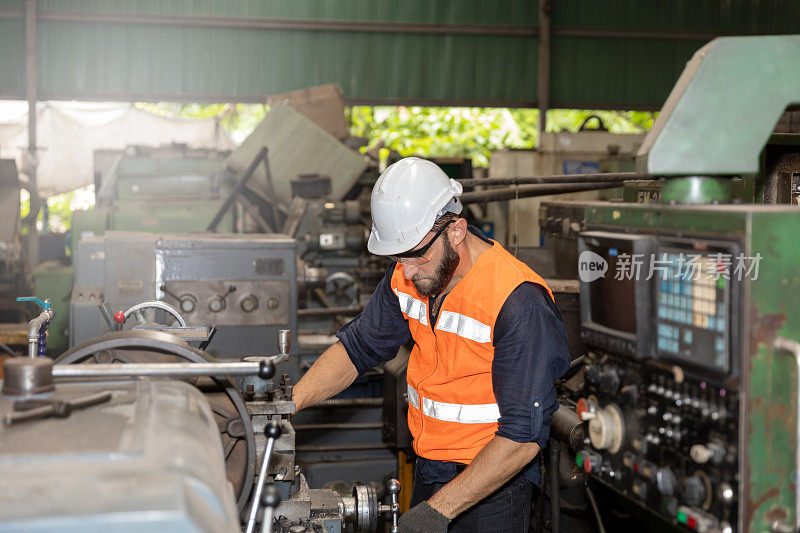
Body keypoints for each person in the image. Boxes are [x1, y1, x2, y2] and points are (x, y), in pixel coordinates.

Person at [293, 157, 570, 532]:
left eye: (418, 255)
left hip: (491, 486)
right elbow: (358, 348)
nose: (406, 271)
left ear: (456, 230)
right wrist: (286, 405)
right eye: (398, 258)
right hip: (429, 466)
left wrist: (437, 512)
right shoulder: (409, 276)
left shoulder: (517, 301)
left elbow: (522, 438)